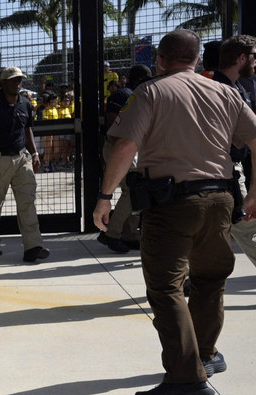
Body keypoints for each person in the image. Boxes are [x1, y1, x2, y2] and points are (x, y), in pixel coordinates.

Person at [93, 29, 256, 395]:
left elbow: (125, 145)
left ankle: (186, 380)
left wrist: (105, 196)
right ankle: (206, 354)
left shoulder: (149, 92)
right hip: (221, 200)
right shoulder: (226, 92)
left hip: (172, 205)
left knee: (166, 288)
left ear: (160, 60)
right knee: (210, 282)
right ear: (198, 59)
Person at [0, 66, 50, 263]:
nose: (17, 83)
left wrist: (34, 153)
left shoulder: (25, 104)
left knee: (27, 202)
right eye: (13, 80)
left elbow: (28, 130)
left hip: (22, 159)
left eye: (19, 80)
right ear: (3, 83)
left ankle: (33, 246)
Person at [97, 64, 152, 254]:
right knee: (131, 189)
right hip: (119, 148)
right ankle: (111, 233)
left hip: (128, 147)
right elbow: (113, 126)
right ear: (143, 77)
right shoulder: (123, 95)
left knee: (133, 189)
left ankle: (129, 235)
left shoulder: (137, 95)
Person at [213, 35, 256, 268]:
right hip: (224, 173)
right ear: (242, 58)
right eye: (254, 56)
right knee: (245, 227)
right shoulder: (220, 90)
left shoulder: (237, 87)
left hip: (231, 171)